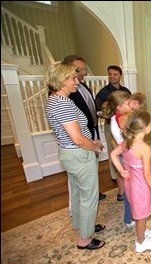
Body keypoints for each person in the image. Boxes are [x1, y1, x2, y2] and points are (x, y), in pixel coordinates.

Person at [45, 61, 105, 250]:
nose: (76, 82)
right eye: (72, 78)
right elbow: (78, 139)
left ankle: (82, 226)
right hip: (79, 154)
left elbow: (76, 135)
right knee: (90, 195)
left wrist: (91, 142)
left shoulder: (55, 100)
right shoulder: (62, 103)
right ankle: (84, 239)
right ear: (62, 80)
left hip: (70, 153)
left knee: (79, 193)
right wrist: (94, 147)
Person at [110, 110, 151, 253]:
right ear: (145, 128)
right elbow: (147, 174)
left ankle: (143, 231)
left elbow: (113, 154)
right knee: (141, 215)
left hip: (130, 184)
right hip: (141, 186)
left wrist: (121, 170)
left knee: (139, 211)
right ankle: (140, 242)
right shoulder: (144, 148)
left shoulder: (127, 142)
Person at [63, 55, 106, 207]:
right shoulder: (65, 94)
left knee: (92, 167)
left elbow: (89, 107)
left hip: (92, 130)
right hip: (79, 138)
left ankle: (93, 193)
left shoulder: (84, 86)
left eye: (84, 70)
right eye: (79, 70)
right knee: (79, 178)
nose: (83, 73)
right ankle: (78, 208)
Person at [105, 90, 146, 228]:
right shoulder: (119, 120)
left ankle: (133, 214)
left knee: (133, 188)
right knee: (132, 189)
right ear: (119, 107)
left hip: (129, 156)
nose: (131, 105)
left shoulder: (123, 115)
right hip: (128, 158)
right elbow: (127, 141)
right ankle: (130, 217)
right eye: (128, 103)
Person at [95, 65, 131, 201]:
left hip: (126, 126)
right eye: (110, 74)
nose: (112, 76)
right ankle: (117, 177)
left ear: (120, 76)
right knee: (115, 152)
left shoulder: (126, 91)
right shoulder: (103, 92)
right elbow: (98, 110)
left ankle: (127, 174)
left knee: (127, 153)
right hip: (111, 126)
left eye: (115, 74)